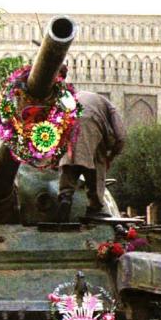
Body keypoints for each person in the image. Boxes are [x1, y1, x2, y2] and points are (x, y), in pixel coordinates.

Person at [56, 84, 127, 221]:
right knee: (95, 168)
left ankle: (65, 197)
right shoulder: (107, 105)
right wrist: (111, 156)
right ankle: (94, 207)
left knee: (69, 161)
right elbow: (121, 135)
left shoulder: (73, 97)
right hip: (94, 124)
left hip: (69, 124)